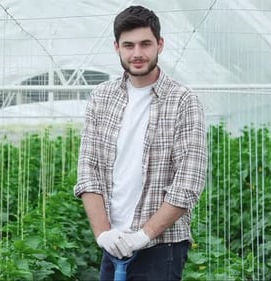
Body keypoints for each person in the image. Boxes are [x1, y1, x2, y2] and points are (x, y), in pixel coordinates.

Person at [73, 5, 208, 281]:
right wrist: (103, 234)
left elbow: (188, 182)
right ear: (117, 47)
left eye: (145, 44)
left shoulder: (183, 100)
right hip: (113, 241)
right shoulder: (101, 98)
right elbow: (89, 171)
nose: (137, 54)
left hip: (162, 247)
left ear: (160, 44)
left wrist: (142, 236)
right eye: (128, 45)